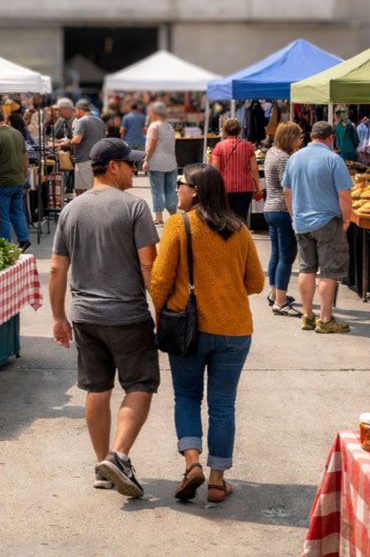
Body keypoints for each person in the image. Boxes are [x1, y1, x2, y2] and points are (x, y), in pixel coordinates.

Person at [50, 138, 158, 498]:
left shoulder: (71, 210)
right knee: (140, 385)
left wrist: (58, 317)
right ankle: (120, 456)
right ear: (113, 167)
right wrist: (161, 308)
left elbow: (56, 269)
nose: (135, 169)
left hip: (85, 317)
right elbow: (148, 265)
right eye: (130, 164)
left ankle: (102, 465)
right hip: (128, 315)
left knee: (97, 389)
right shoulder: (135, 208)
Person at [150, 163, 264, 504]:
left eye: (181, 184)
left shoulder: (178, 225)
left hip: (189, 329)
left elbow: (158, 281)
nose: (177, 189)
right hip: (235, 331)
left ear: (196, 189)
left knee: (186, 397)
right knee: (223, 405)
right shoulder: (240, 229)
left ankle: (192, 464)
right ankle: (217, 482)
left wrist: (163, 307)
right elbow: (257, 283)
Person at [281, 121, 353, 333]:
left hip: (302, 221)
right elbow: (344, 195)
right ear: (331, 138)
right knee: (329, 271)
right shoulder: (333, 159)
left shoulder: (294, 158)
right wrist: (346, 220)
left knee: (306, 268)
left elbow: (287, 192)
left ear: (311, 136)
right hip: (327, 221)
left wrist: (295, 216)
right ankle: (325, 319)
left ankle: (307, 315)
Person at [263, 121, 304, 317]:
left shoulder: (272, 152)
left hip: (270, 208)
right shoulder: (284, 158)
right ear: (290, 138)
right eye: (298, 137)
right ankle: (280, 302)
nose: (300, 140)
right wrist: (294, 216)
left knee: (277, 255)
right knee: (286, 257)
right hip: (282, 210)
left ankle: (274, 294)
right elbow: (287, 190)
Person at [0, 109, 31, 250]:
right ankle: (24, 238)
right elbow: (24, 157)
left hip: (1, 182)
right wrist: (24, 175)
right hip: (18, 180)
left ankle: (4, 244)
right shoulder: (17, 134)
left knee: (1, 215)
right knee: (17, 211)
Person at [209, 118, 261, 220]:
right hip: (245, 187)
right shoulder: (248, 146)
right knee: (241, 219)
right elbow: (254, 169)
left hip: (224, 188)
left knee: (225, 219)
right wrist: (258, 188)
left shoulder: (219, 147)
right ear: (240, 131)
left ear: (224, 131)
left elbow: (215, 170)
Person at [143, 101, 178, 225]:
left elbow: (152, 143)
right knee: (170, 190)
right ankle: (174, 215)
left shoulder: (154, 126)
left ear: (154, 112)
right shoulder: (169, 126)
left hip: (156, 162)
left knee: (157, 190)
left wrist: (146, 160)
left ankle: (158, 217)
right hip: (171, 162)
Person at [60, 99, 105, 196]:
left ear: (80, 110)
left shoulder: (82, 121)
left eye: (75, 111)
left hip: (84, 158)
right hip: (98, 159)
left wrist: (68, 142)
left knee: (82, 189)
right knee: (93, 187)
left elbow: (76, 140)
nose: (74, 114)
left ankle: (86, 209)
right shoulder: (99, 120)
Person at [120, 102, 146, 171]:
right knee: (141, 159)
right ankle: (141, 171)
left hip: (128, 140)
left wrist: (122, 139)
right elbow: (145, 129)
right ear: (137, 108)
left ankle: (131, 171)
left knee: (129, 159)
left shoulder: (126, 117)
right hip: (141, 140)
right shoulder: (142, 116)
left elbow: (123, 130)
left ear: (130, 108)